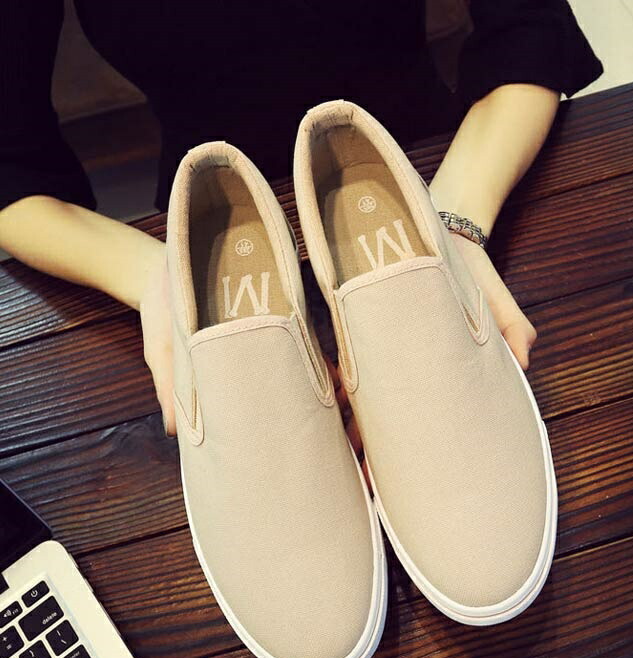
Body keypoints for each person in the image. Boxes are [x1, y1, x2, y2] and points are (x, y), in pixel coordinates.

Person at [0, 0, 602, 435]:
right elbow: (11, 168)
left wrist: (449, 223)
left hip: (426, 170)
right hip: (214, 236)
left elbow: (530, 27)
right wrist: (156, 276)